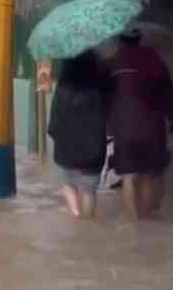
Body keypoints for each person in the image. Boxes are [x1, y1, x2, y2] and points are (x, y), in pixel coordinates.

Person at [96, 30, 173, 219]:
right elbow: (168, 95)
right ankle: (146, 220)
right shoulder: (154, 60)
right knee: (148, 176)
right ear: (139, 39)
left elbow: (103, 98)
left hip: (123, 129)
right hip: (152, 128)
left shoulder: (112, 63)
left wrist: (105, 125)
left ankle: (135, 225)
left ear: (120, 41)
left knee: (128, 176)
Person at [46, 51, 112, 219]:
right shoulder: (100, 88)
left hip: (66, 147)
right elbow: (107, 111)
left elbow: (54, 121)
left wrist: (56, 136)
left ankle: (76, 214)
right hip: (93, 146)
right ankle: (88, 225)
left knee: (68, 184)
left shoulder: (62, 89)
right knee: (89, 190)